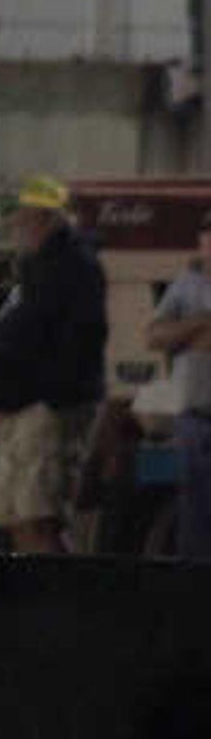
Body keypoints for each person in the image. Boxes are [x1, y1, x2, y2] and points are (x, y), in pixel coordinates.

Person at [0, 172, 108, 554]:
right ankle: (31, 604)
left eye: (24, 217)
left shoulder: (73, 267)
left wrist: (49, 394)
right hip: (22, 408)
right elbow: (29, 324)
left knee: (39, 516)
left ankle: (57, 604)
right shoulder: (39, 269)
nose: (16, 226)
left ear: (46, 218)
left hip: (46, 410)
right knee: (16, 515)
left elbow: (79, 339)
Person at [146, 217, 211, 559]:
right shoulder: (186, 285)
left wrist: (188, 336)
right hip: (194, 417)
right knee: (194, 517)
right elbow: (154, 336)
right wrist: (198, 324)